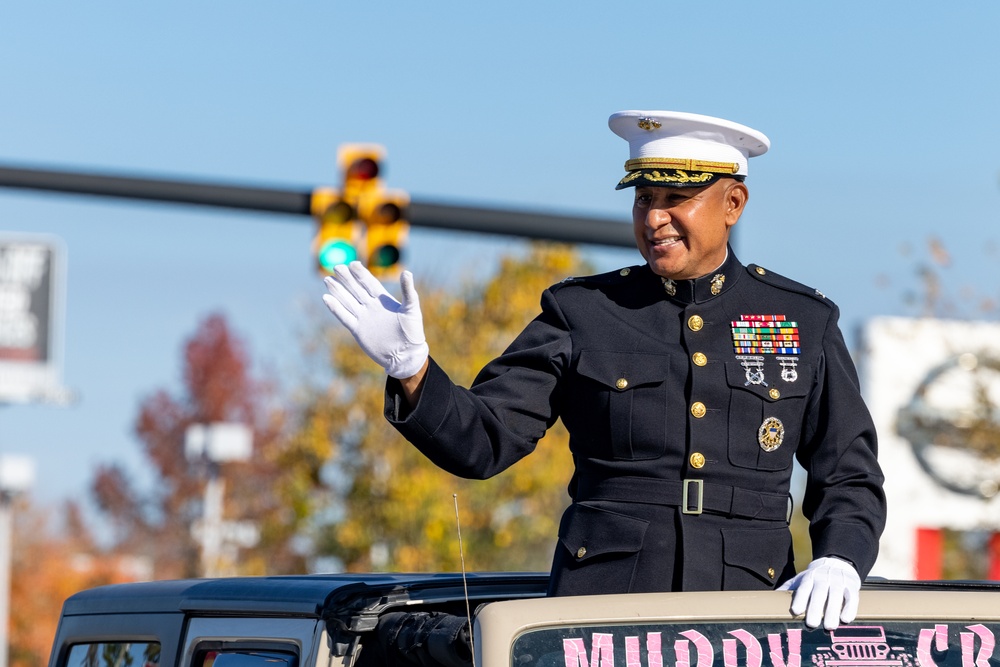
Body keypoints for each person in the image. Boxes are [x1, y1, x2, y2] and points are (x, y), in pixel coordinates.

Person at [322, 110, 886, 632]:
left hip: (746, 614)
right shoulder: (584, 313)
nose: (655, 219)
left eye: (676, 199)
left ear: (734, 203)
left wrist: (841, 557)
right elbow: (486, 442)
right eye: (644, 199)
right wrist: (414, 371)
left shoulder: (800, 319)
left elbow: (849, 474)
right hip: (604, 613)